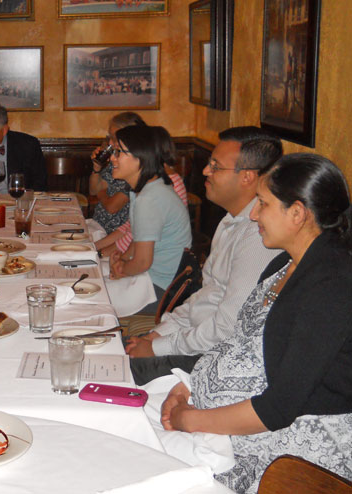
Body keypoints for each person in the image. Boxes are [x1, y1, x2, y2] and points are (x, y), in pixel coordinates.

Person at [160, 153, 352, 493]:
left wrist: (190, 419)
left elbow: (278, 409)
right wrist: (188, 385)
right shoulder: (283, 263)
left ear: (297, 213)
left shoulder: (333, 286)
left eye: (262, 203)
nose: (253, 214)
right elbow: (240, 342)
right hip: (221, 421)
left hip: (293, 455)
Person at [126, 127, 283, 383]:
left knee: (111, 371)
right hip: (193, 339)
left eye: (215, 166)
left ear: (247, 177)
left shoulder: (258, 236)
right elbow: (204, 296)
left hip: (214, 357)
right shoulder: (231, 220)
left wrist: (157, 347)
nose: (205, 171)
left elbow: (228, 328)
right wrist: (158, 334)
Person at [108, 125, 192, 313]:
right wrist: (122, 259)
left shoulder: (149, 199)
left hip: (159, 290)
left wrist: (121, 269)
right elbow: (139, 241)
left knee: (92, 300)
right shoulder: (149, 189)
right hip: (152, 280)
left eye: (119, 152)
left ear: (141, 158)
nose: (112, 158)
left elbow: (142, 262)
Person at [89, 112, 144, 238]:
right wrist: (97, 168)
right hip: (98, 226)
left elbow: (112, 207)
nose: (110, 143)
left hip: (115, 234)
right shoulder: (115, 159)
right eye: (110, 137)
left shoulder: (136, 167)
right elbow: (93, 190)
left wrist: (102, 192)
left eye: (114, 138)